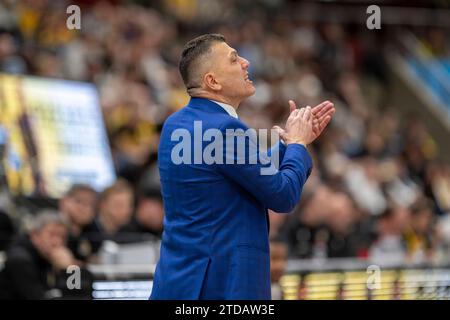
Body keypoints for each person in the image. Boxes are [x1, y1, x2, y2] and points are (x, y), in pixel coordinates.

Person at [151, 34, 335, 299]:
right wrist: (298, 145)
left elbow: (231, 172)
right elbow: (282, 196)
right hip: (223, 286)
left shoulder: (176, 124)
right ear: (212, 81)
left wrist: (286, 144)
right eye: (234, 59)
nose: (246, 63)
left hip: (178, 282)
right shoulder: (226, 129)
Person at [0, 211, 93, 299]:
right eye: (52, 235)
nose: (57, 242)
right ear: (35, 236)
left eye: (63, 237)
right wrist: (69, 270)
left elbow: (83, 296)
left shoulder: (47, 257)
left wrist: (71, 269)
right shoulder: (20, 261)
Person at [59, 184, 99, 262]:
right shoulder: (52, 228)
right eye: (79, 201)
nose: (83, 208)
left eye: (90, 204)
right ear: (64, 202)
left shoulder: (93, 231)